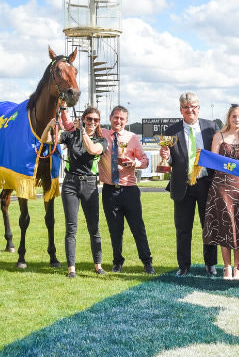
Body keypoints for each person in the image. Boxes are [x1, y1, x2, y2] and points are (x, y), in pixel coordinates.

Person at [160, 92, 219, 277]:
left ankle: (210, 264)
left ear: (198, 108)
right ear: (181, 110)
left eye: (193, 106)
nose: (190, 110)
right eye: (186, 107)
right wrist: (166, 157)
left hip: (206, 184)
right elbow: (169, 161)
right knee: (183, 228)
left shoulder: (211, 127)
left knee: (208, 226)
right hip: (183, 185)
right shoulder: (171, 131)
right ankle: (183, 266)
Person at [99, 105, 155, 275]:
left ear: (126, 121)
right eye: (116, 117)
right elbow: (79, 128)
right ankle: (117, 262)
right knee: (115, 230)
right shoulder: (102, 134)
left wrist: (135, 163)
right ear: (110, 118)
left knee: (138, 228)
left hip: (130, 190)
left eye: (122, 119)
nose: (118, 121)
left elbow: (145, 160)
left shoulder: (132, 138)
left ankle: (147, 262)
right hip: (109, 190)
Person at [52, 107, 108, 278]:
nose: (92, 122)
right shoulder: (70, 136)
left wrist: (82, 131)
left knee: (94, 228)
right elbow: (49, 140)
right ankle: (71, 269)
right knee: (71, 228)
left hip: (90, 184)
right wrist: (51, 124)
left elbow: (92, 150)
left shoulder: (101, 140)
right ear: (84, 119)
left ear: (98, 122)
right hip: (70, 184)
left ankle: (98, 265)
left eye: (95, 120)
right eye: (89, 119)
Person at [203, 104, 239, 280]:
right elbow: (212, 162)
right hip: (221, 186)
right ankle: (226, 266)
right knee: (224, 226)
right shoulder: (219, 136)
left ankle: (238, 267)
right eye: (234, 116)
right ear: (228, 118)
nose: (237, 120)